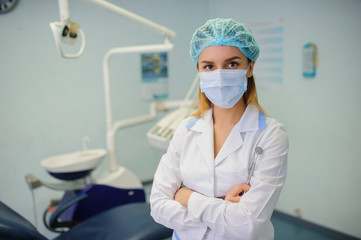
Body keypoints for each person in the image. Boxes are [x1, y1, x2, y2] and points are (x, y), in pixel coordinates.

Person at [150, 18, 288, 240]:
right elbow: (158, 206)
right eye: (209, 66)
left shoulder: (271, 135)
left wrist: (186, 197)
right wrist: (223, 207)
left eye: (232, 64)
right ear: (200, 71)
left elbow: (248, 226)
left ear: (250, 67)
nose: (220, 74)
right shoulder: (186, 130)